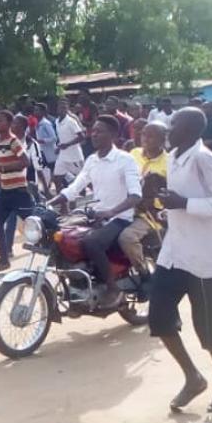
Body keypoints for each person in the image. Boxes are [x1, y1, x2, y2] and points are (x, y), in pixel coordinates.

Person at [150, 107, 212, 414]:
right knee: (159, 318)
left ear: (188, 131)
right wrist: (167, 207)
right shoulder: (175, 157)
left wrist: (184, 203)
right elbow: (181, 201)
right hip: (174, 253)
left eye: (173, 125)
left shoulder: (204, 158)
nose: (167, 130)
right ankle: (193, 377)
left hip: (202, 258)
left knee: (208, 328)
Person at [49, 115, 142, 308]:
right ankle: (78, 285)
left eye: (100, 131)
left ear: (114, 135)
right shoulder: (92, 160)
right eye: (93, 130)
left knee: (91, 242)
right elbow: (76, 186)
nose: (94, 134)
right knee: (60, 237)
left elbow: (135, 196)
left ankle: (112, 287)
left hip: (120, 218)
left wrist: (111, 212)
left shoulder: (125, 160)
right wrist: (51, 201)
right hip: (96, 215)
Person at [0, 110, 35, 274]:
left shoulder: (13, 141)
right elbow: (5, 166)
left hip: (19, 192)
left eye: (0, 121)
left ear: (9, 123)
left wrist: (2, 168)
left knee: (36, 223)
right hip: (6, 191)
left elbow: (25, 162)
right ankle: (4, 260)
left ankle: (57, 248)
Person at [118, 122, 168, 274]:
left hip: (151, 214)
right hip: (125, 206)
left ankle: (143, 273)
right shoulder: (133, 153)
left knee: (127, 238)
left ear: (162, 140)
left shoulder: (170, 162)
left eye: (151, 135)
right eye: (143, 134)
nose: (145, 138)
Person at [53, 99, 86, 195]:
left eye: (64, 107)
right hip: (63, 156)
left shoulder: (71, 121)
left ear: (68, 109)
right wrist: (59, 147)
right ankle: (63, 204)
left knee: (83, 178)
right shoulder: (57, 121)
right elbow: (62, 137)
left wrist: (67, 144)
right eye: (60, 107)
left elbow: (82, 136)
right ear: (57, 109)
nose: (62, 109)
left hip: (74, 156)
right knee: (56, 178)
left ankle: (97, 194)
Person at [33, 103, 58, 177]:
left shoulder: (46, 124)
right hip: (42, 152)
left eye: (37, 110)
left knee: (55, 172)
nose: (35, 112)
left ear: (43, 112)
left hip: (50, 152)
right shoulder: (37, 123)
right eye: (35, 110)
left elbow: (54, 138)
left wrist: (42, 141)